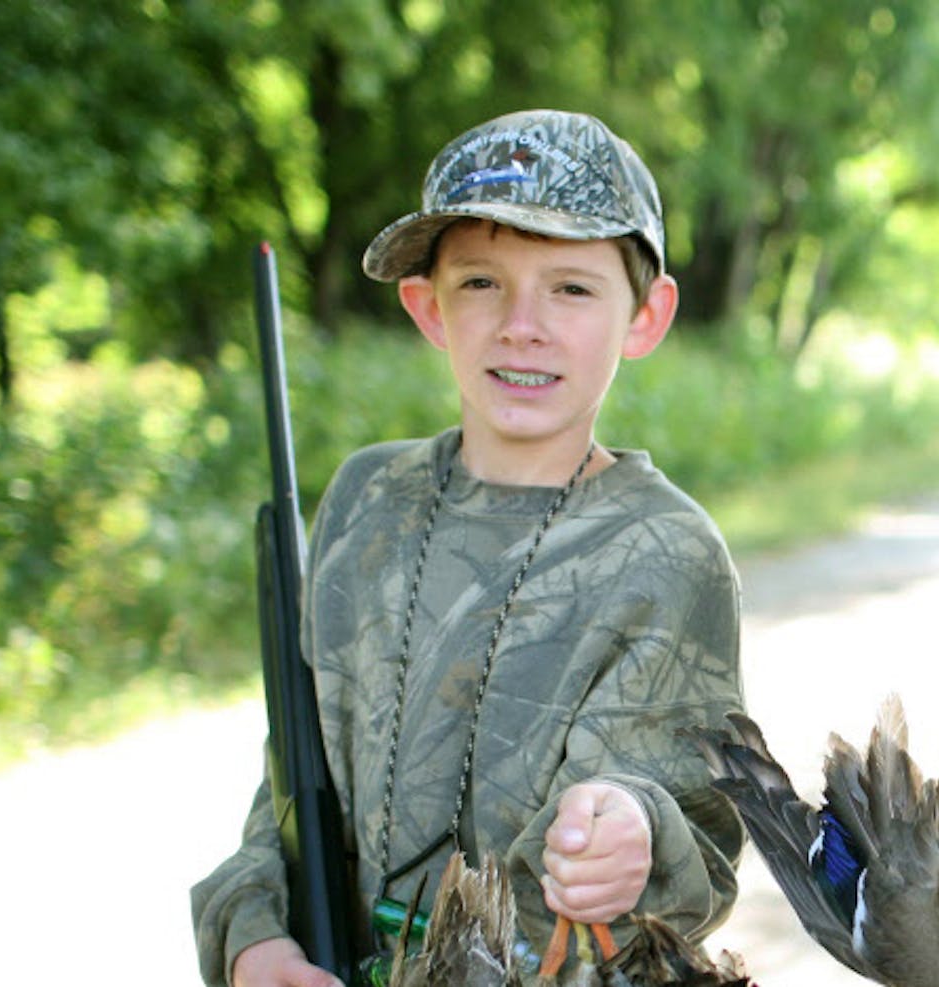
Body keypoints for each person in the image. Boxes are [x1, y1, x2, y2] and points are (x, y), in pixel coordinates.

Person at [192, 109, 746, 987]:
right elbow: (292, 791)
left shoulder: (664, 552)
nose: (522, 324)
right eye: (482, 282)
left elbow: (688, 827)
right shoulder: (364, 502)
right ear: (428, 307)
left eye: (570, 287)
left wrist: (632, 836)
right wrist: (255, 939)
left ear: (645, 316)